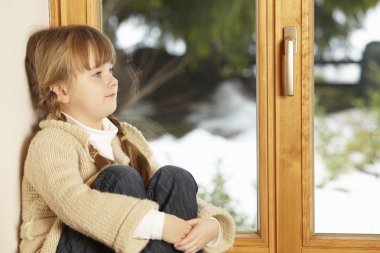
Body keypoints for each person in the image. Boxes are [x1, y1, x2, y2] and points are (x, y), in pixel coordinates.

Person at [19, 25, 235, 253]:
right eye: (97, 74)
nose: (112, 81)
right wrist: (159, 226)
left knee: (174, 178)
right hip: (64, 246)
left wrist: (211, 226)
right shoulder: (52, 142)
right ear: (61, 91)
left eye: (110, 70)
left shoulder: (126, 135)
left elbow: (163, 191)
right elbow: (74, 204)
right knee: (120, 178)